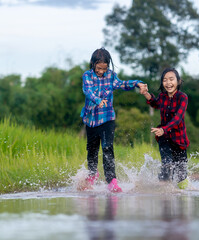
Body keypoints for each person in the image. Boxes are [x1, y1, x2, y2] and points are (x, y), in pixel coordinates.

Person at [80, 47, 147, 192]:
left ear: (108, 66)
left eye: (104, 68)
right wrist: (98, 100)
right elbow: (88, 91)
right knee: (91, 150)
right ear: (93, 64)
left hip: (107, 118)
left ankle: (112, 182)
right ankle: (92, 174)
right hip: (91, 119)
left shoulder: (111, 76)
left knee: (107, 148)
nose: (101, 71)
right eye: (99, 68)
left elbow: (122, 84)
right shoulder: (87, 76)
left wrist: (137, 83)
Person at [141, 68, 190, 189]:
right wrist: (146, 93)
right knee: (167, 164)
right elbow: (154, 103)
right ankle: (163, 191)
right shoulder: (162, 96)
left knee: (181, 177)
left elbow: (178, 118)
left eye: (171, 79)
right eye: (165, 80)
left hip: (179, 140)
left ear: (178, 81)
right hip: (164, 138)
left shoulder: (182, 97)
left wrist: (164, 128)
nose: (168, 83)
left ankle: (180, 194)